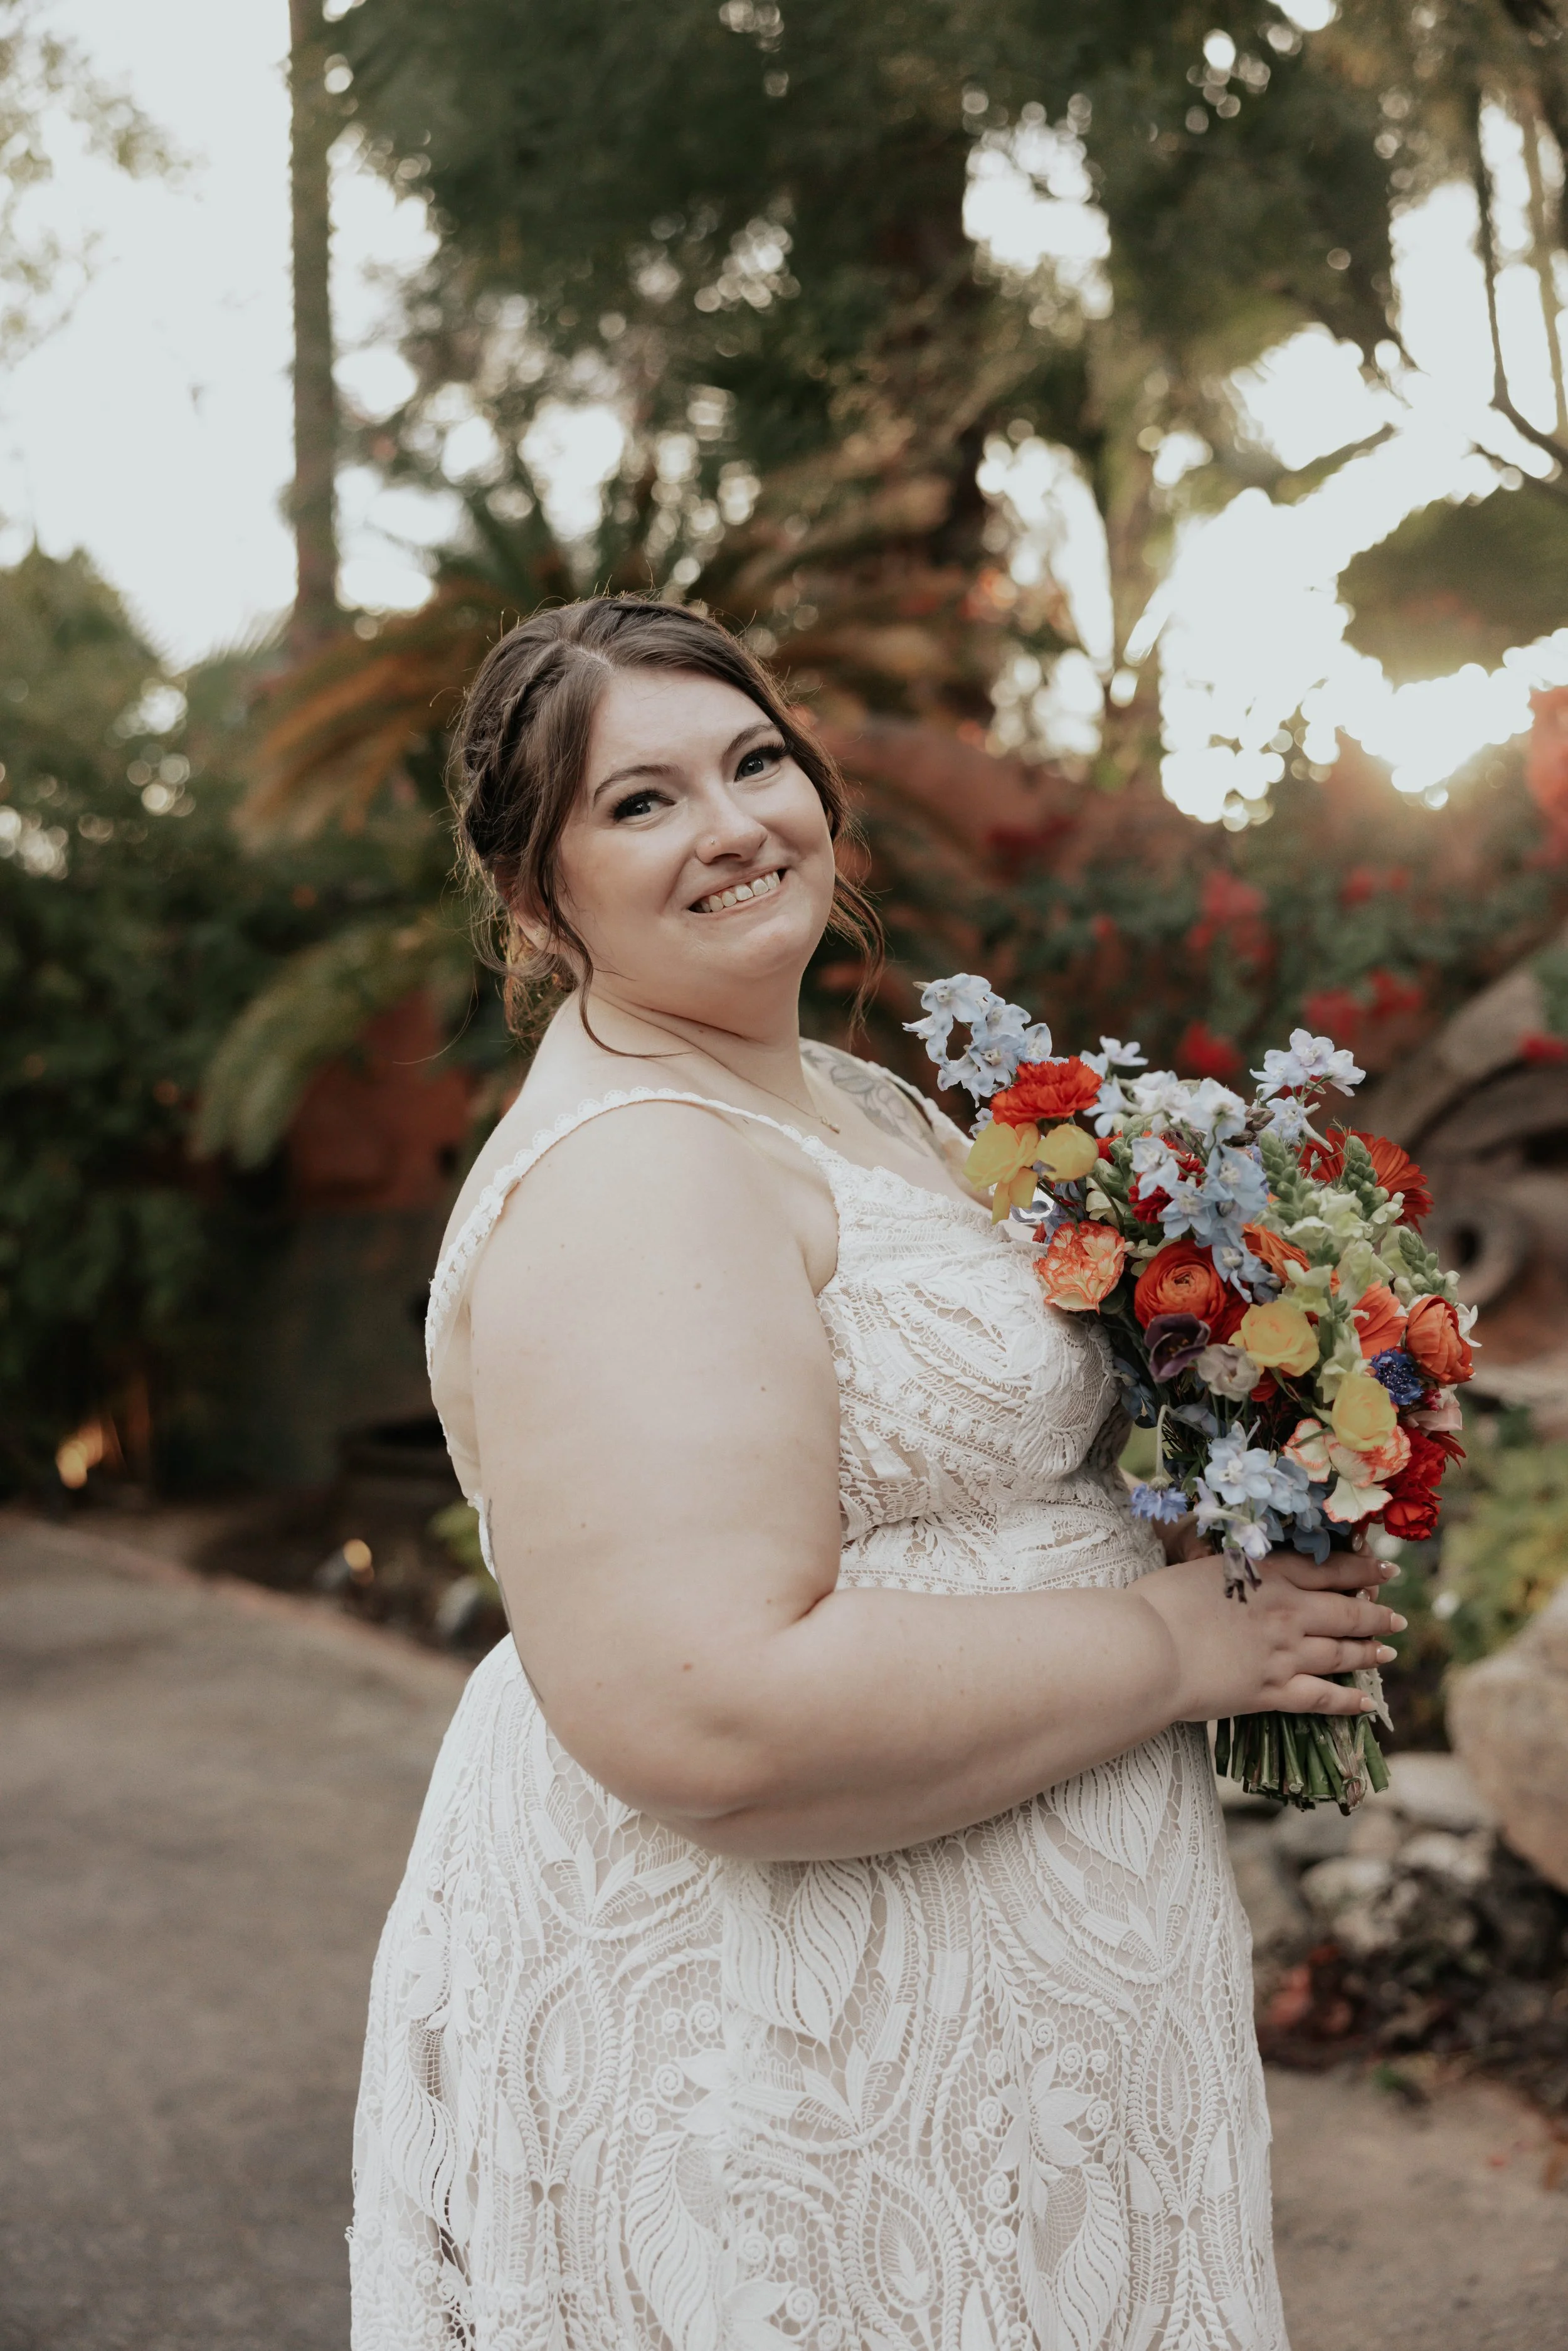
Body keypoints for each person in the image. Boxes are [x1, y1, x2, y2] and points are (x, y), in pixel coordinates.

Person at [349, 597, 1401, 2351]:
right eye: (641, 801)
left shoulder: (846, 1098)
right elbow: (710, 1713)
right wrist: (1174, 1644)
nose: (732, 822)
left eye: (755, 760)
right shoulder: (635, 1173)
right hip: (793, 2044)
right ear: (538, 898)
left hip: (1004, 2024)